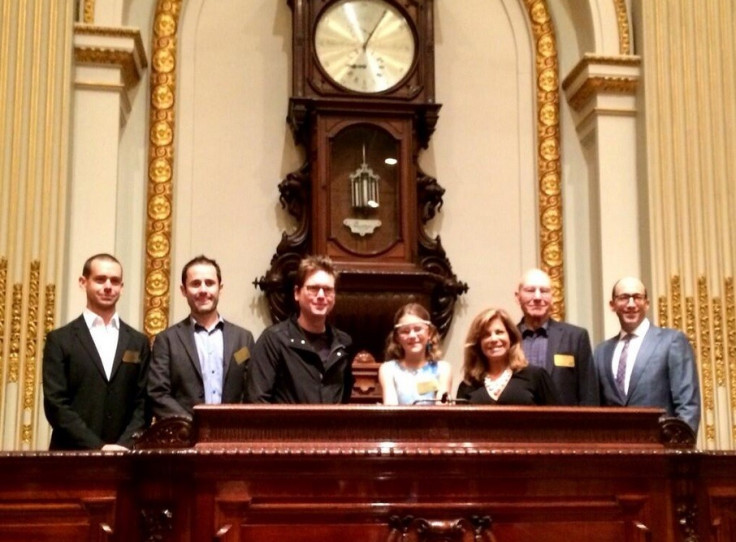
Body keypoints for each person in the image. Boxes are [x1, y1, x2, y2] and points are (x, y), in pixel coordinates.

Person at [42, 254, 150, 450]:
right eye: (100, 279)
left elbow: (143, 403)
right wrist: (98, 447)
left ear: (122, 287)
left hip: (125, 456)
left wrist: (123, 445)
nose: (108, 286)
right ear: (83, 282)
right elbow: (55, 404)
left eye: (115, 281)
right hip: (71, 456)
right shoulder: (59, 340)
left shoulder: (138, 341)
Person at [147, 255, 255, 419]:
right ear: (184, 290)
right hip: (185, 436)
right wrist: (194, 425)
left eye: (210, 283)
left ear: (220, 288)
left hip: (231, 434)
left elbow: (252, 391)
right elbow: (158, 393)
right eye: (195, 284)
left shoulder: (243, 339)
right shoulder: (167, 340)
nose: (203, 290)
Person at [594, 277, 701, 432]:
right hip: (616, 449)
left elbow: (688, 405)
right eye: (624, 298)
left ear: (647, 303)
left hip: (661, 448)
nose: (631, 304)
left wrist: (681, 448)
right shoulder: (601, 352)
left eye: (637, 297)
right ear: (612, 305)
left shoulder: (671, 341)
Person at [246, 255, 353, 403]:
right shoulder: (274, 340)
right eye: (313, 288)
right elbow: (257, 400)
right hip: (286, 426)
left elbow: (345, 399)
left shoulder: (344, 344)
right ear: (297, 293)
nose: (321, 296)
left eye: (328, 289)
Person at [515, 268, 598, 405]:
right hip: (518, 424)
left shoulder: (576, 337)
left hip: (564, 424)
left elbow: (588, 395)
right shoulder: (507, 339)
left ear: (552, 297)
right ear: (517, 297)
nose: (537, 297)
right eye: (530, 290)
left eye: (544, 291)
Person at [456, 307, 558, 405]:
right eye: (486, 335)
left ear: (511, 337)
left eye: (499, 332)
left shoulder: (536, 376)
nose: (494, 339)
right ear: (478, 343)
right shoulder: (468, 385)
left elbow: (559, 419)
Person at [378, 303, 452, 405]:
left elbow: (442, 409)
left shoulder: (443, 369)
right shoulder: (388, 370)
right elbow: (391, 408)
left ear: (429, 333)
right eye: (405, 331)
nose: (412, 335)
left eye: (418, 329)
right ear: (397, 338)